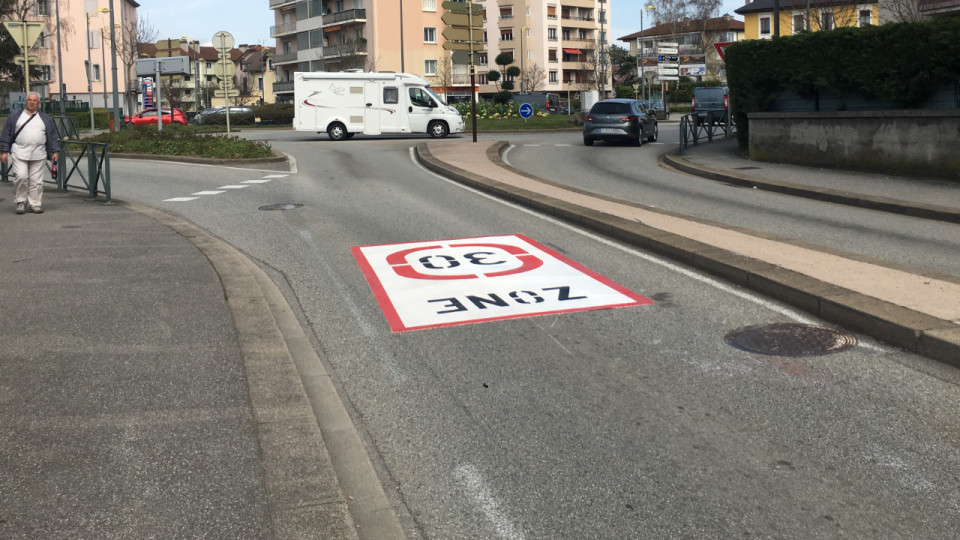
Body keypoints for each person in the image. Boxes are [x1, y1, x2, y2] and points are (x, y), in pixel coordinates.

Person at [0, 93, 60, 214]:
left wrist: (55, 151)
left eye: (34, 100)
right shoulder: (15, 116)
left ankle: (35, 204)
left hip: (39, 153)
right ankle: (21, 202)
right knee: (21, 177)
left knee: (36, 181)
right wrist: (4, 151)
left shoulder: (45, 118)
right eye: (29, 100)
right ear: (25, 102)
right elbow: (6, 134)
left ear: (39, 103)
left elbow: (53, 136)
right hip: (19, 152)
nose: (32, 102)